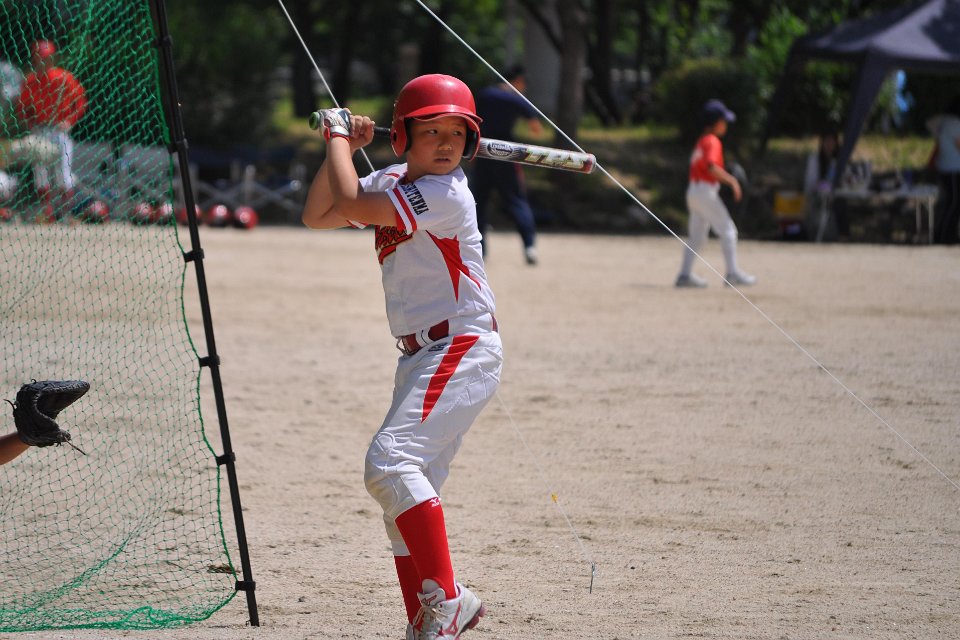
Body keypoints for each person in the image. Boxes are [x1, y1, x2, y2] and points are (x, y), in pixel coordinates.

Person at [301, 74, 502, 640]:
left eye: (457, 132)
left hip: (460, 346)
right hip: (421, 354)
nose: (445, 142)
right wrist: (342, 148)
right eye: (430, 130)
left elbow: (349, 201)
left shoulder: (445, 192)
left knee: (389, 464)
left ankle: (449, 601)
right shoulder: (393, 181)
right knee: (402, 498)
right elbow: (320, 212)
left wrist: (339, 137)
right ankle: (427, 622)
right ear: (402, 138)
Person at [675, 99, 756, 288]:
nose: (726, 124)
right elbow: (711, 166)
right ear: (715, 122)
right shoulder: (712, 141)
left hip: (694, 191)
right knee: (728, 230)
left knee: (697, 237)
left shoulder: (702, 141)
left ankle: (684, 275)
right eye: (723, 120)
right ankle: (732, 273)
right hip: (705, 191)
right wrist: (732, 181)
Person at [471, 65, 543, 265]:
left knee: (478, 204)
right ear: (518, 80)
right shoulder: (516, 99)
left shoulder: (484, 95)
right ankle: (529, 246)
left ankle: (480, 251)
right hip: (507, 155)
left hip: (483, 152)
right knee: (517, 201)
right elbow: (536, 128)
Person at [14, 40, 87, 207]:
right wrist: (29, 122)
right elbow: (22, 107)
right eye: (39, 58)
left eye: (45, 58)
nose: (42, 62)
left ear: (52, 58)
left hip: (59, 130)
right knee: (40, 172)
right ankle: (46, 211)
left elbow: (81, 101)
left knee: (63, 172)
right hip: (40, 129)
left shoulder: (64, 77)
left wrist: (70, 121)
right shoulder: (30, 81)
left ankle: (66, 211)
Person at [927, 96, 960, 245]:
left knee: (951, 202)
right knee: (954, 202)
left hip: (944, 167)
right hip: (953, 168)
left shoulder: (943, 122)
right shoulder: (955, 123)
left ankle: (946, 233)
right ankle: (944, 234)